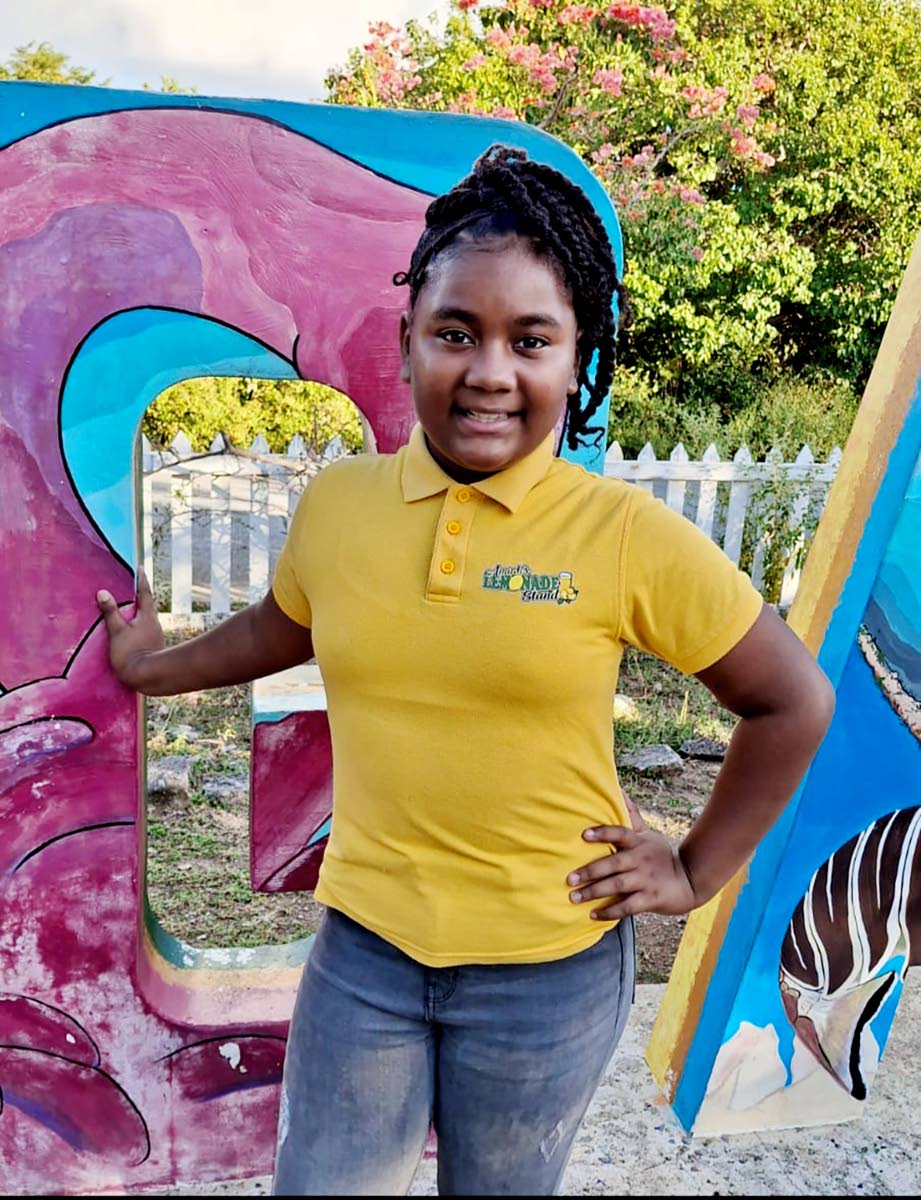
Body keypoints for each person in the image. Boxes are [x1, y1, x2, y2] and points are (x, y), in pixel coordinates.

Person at [96, 144, 835, 1196]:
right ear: (408, 344)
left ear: (578, 359)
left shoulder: (622, 534)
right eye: (457, 332)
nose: (491, 370)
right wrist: (154, 667)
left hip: (549, 972)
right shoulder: (340, 507)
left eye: (531, 339)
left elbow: (791, 699)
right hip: (366, 956)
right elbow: (282, 627)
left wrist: (693, 868)